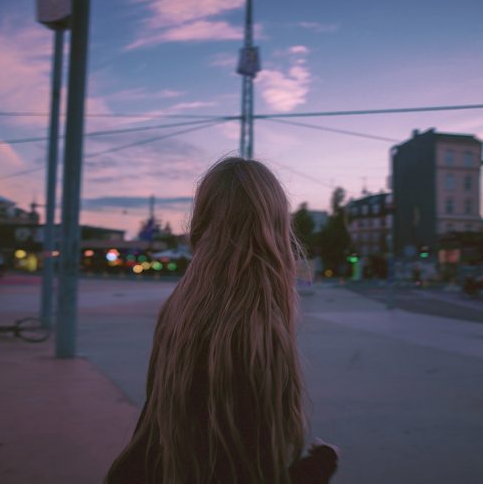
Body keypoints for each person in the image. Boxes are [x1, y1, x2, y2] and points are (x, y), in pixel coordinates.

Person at [106, 158, 339, 484]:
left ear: (202, 220)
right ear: (274, 228)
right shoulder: (257, 327)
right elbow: (248, 470)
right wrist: (320, 465)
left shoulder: (180, 306)